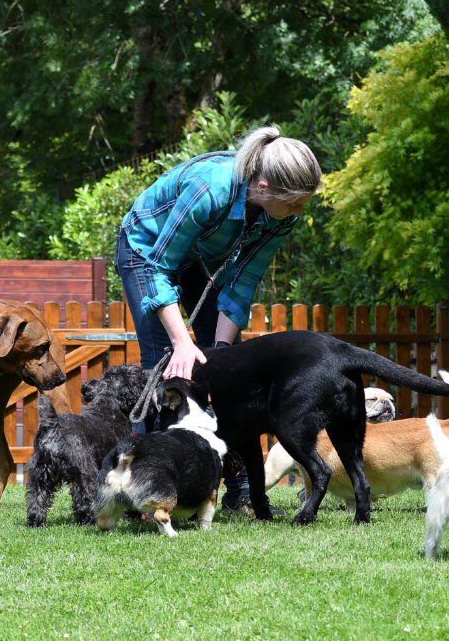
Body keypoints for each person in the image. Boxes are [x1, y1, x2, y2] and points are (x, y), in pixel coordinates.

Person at [113, 125, 322, 512]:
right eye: (294, 203)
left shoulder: (280, 216)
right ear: (263, 187)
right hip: (146, 251)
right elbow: (160, 265)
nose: (299, 213)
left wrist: (223, 355)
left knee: (231, 371)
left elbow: (241, 284)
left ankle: (240, 490)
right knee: (164, 369)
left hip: (196, 259)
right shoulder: (211, 190)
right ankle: (142, 493)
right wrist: (181, 342)